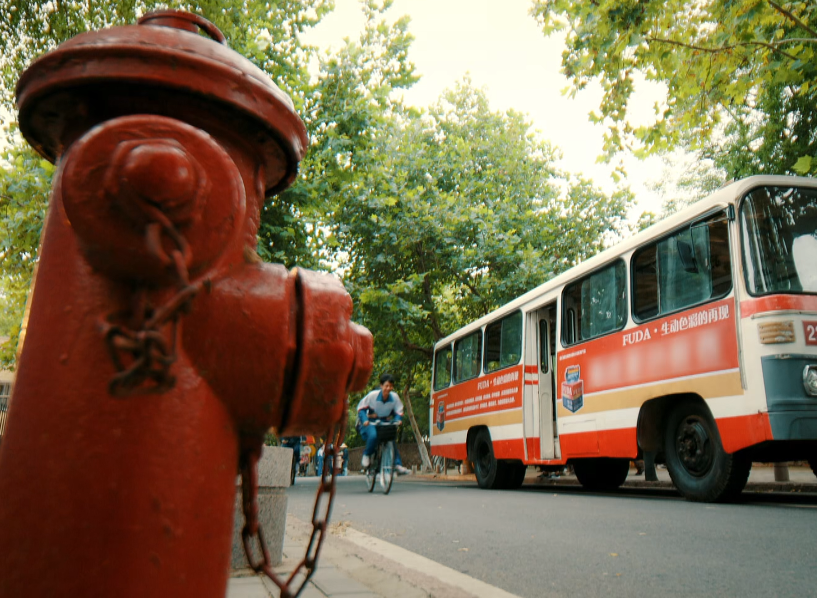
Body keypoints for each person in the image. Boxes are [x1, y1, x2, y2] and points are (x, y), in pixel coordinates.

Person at [356, 373, 410, 475]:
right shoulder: (372, 396)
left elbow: (399, 411)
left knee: (391, 438)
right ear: (381, 386)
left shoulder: (394, 397)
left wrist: (398, 419)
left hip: (384, 421)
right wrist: (364, 420)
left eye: (390, 386)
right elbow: (361, 409)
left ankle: (397, 464)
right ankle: (367, 455)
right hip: (370, 422)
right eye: (386, 386)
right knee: (373, 435)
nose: (388, 388)